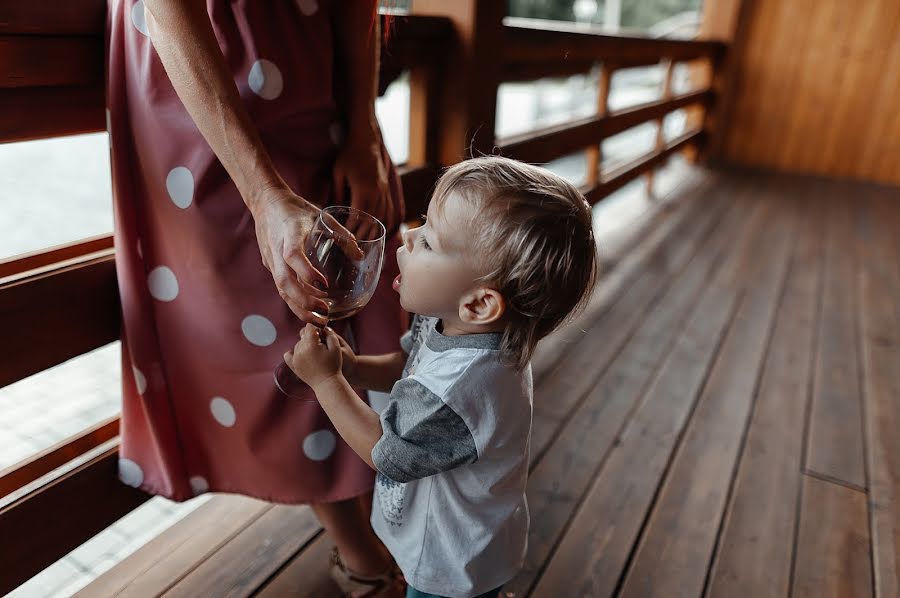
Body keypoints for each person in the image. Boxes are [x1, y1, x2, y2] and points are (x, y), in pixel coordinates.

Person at [107, 0, 406, 594]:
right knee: (269, 299)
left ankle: (385, 516)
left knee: (358, 266)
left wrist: (364, 127)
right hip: (201, 56)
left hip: (313, 46)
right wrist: (264, 195)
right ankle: (357, 542)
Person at [285, 156, 600, 598]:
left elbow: (388, 452)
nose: (409, 237)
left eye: (429, 242)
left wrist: (326, 383)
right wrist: (352, 368)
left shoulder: (461, 388)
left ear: (478, 304)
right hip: (473, 531)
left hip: (451, 558)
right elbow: (408, 367)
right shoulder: (457, 327)